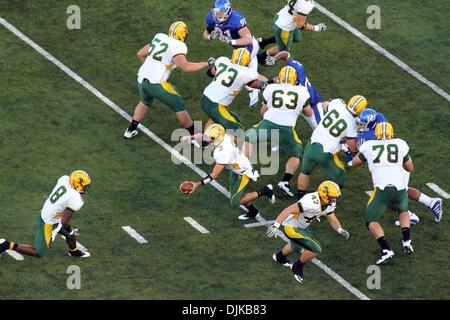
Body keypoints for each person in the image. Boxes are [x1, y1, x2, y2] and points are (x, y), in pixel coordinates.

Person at [350, 109, 443, 223]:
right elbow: (378, 117)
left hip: (397, 164)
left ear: (370, 123)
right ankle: (429, 204)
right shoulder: (379, 119)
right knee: (399, 191)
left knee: (392, 194)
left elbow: (356, 154)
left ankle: (414, 213)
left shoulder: (365, 139)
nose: (359, 127)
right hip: (394, 160)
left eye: (362, 124)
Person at [124, 21, 214, 139]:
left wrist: (152, 67)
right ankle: (196, 137)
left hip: (141, 79)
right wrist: (206, 63)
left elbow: (140, 54)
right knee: (179, 106)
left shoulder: (159, 37)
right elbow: (185, 67)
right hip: (157, 84)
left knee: (144, 102)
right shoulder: (179, 46)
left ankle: (130, 130)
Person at [243, 66, 313, 197]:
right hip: (287, 129)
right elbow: (309, 113)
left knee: (248, 139)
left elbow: (263, 112)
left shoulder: (271, 88)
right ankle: (285, 181)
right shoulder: (303, 92)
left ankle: (244, 168)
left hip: (268, 124)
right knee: (296, 154)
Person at [181, 124, 275, 220]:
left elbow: (214, 175)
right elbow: (205, 136)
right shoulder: (224, 136)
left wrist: (197, 184)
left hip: (242, 172)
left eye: (210, 138)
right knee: (236, 194)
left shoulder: (222, 153)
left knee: (235, 202)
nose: (206, 140)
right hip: (236, 167)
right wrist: (189, 137)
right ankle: (253, 211)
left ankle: (265, 190)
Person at [352, 122, 414, 264]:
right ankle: (407, 241)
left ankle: (386, 249)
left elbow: (355, 162)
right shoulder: (400, 144)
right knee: (403, 210)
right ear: (392, 134)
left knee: (370, 219)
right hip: (400, 188)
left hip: (382, 189)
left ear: (376, 134)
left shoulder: (369, 145)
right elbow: (410, 167)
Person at [267, 181, 349, 284]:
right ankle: (297, 267)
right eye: (333, 198)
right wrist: (276, 225)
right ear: (324, 195)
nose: (335, 200)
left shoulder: (327, 204)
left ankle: (279, 257)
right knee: (315, 248)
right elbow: (288, 210)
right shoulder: (310, 202)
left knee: (296, 245)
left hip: (301, 226)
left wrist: (339, 229)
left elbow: (331, 217)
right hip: (291, 226)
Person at [0, 171, 92, 259]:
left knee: (70, 234)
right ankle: (5, 245)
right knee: (39, 252)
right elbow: (64, 222)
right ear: (76, 184)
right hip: (48, 221)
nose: (86, 188)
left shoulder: (64, 179)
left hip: (50, 213)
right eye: (84, 186)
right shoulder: (76, 198)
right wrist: (71, 231)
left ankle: (74, 251)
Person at [297, 96, 367, 199]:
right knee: (340, 176)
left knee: (305, 172)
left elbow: (325, 104)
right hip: (326, 153)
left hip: (311, 145)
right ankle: (325, 198)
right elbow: (352, 146)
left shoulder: (338, 104)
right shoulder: (352, 124)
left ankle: (300, 197)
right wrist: (356, 153)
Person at [204, 0, 261, 107]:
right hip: (237, 49)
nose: (217, 15)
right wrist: (210, 37)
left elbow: (248, 40)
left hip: (248, 47)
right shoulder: (211, 18)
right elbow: (205, 35)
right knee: (250, 70)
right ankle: (256, 87)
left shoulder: (236, 20)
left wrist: (230, 41)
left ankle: (254, 90)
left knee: (240, 72)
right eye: (216, 12)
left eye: (220, 12)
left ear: (227, 12)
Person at [202, 48, 264, 133]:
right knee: (238, 131)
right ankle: (211, 143)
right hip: (216, 104)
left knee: (216, 119)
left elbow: (211, 72)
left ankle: (203, 142)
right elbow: (259, 82)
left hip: (205, 98)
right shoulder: (247, 72)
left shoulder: (223, 60)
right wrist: (273, 82)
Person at [257, 0, 327, 66]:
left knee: (297, 38)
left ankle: (263, 42)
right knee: (283, 50)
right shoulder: (307, 4)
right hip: (284, 28)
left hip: (281, 17)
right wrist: (316, 28)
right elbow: (300, 25)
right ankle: (261, 57)